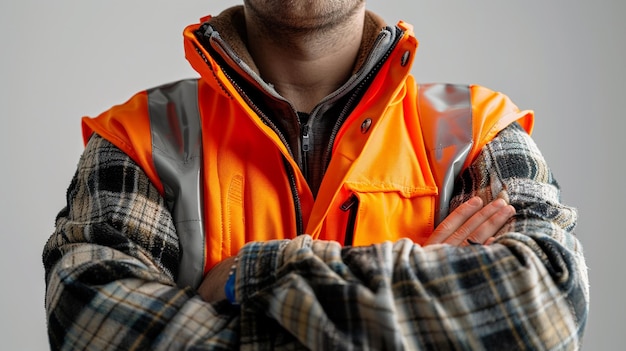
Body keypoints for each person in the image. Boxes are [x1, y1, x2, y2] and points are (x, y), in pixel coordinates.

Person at [43, 1, 589, 350]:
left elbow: (548, 308)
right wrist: (423, 288)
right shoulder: (140, 138)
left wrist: (248, 276)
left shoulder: (477, 129)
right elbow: (89, 326)